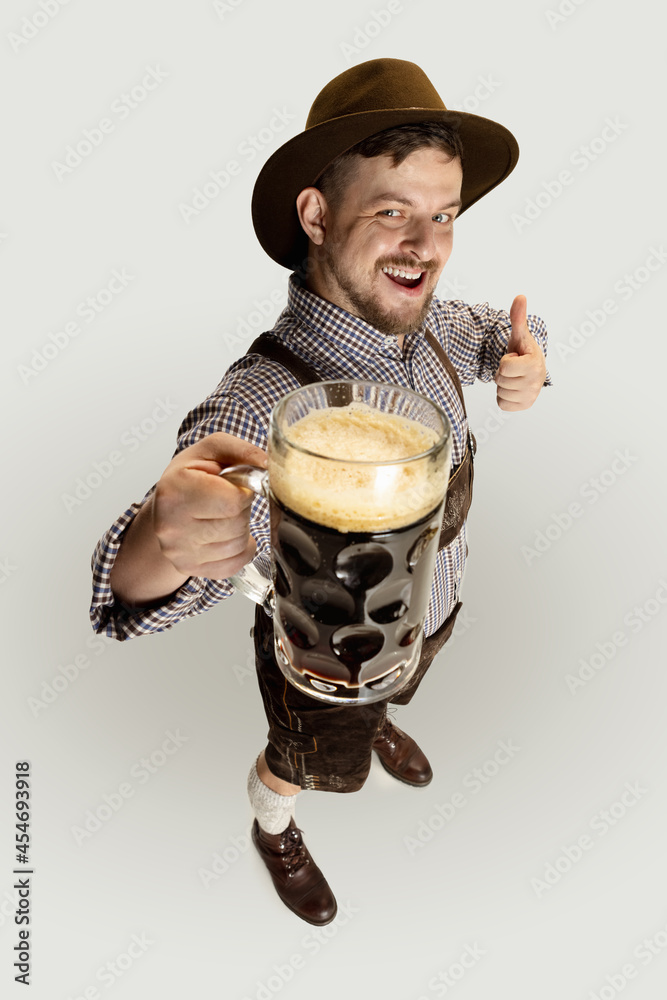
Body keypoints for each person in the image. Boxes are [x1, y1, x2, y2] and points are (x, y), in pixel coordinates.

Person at [90, 58, 551, 926]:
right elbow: (125, 587)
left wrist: (527, 361)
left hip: (431, 614)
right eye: (391, 212)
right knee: (298, 758)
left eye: (442, 215)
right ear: (315, 214)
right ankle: (274, 825)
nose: (425, 245)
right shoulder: (264, 398)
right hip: (320, 662)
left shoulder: (434, 322)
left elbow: (500, 329)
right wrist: (162, 533)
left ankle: (381, 719)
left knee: (406, 681)